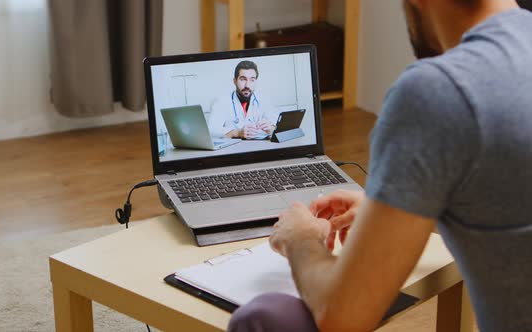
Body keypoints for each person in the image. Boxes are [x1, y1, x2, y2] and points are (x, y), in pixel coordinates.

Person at [228, 0, 532, 331]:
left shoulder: (438, 91)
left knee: (264, 317)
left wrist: (300, 238)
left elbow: (342, 316)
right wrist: (397, 213)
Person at [208, 60, 277, 139]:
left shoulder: (264, 99)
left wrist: (270, 129)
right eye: (243, 79)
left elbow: (278, 125)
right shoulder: (222, 101)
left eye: (252, 80)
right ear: (235, 81)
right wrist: (237, 133)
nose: (247, 85)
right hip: (235, 149)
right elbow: (211, 130)